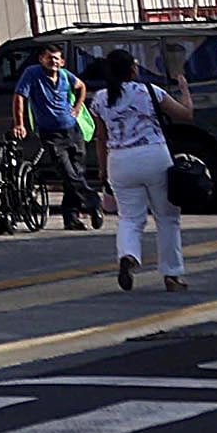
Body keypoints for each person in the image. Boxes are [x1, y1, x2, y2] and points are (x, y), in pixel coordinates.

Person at [90, 48, 184, 292]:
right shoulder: (150, 91)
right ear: (133, 69)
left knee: (130, 217)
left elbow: (100, 138)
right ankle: (171, 275)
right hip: (154, 156)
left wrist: (102, 169)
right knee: (167, 217)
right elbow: (186, 115)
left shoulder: (100, 98)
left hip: (119, 161)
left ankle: (128, 255)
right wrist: (185, 90)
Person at [10, 41, 100, 229]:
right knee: (67, 172)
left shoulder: (66, 76)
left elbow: (81, 86)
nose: (53, 62)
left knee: (76, 173)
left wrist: (77, 108)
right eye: (49, 58)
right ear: (41, 59)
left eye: (56, 59)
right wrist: (20, 123)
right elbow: (19, 97)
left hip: (73, 131)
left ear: (63, 62)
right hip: (51, 134)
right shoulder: (32, 74)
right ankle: (92, 200)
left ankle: (71, 218)